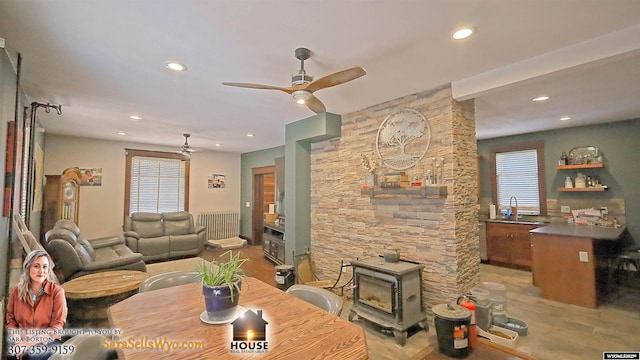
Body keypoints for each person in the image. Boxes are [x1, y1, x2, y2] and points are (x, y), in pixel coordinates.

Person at [5, 250, 68, 360]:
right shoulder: (16, 291)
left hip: (49, 341)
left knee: (30, 355)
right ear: (28, 268)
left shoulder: (57, 292)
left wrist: (29, 343)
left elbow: (56, 326)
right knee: (11, 356)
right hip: (22, 340)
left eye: (45, 267)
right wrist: (19, 341)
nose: (41, 271)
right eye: (36, 266)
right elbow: (11, 321)